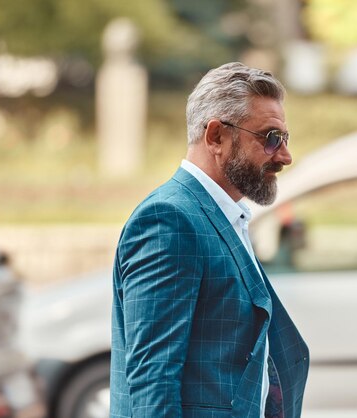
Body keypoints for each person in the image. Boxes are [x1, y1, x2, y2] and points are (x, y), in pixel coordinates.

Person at [110, 62, 309, 418]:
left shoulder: (224, 214)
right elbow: (152, 384)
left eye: (284, 139)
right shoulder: (169, 220)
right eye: (270, 138)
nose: (284, 156)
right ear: (216, 136)